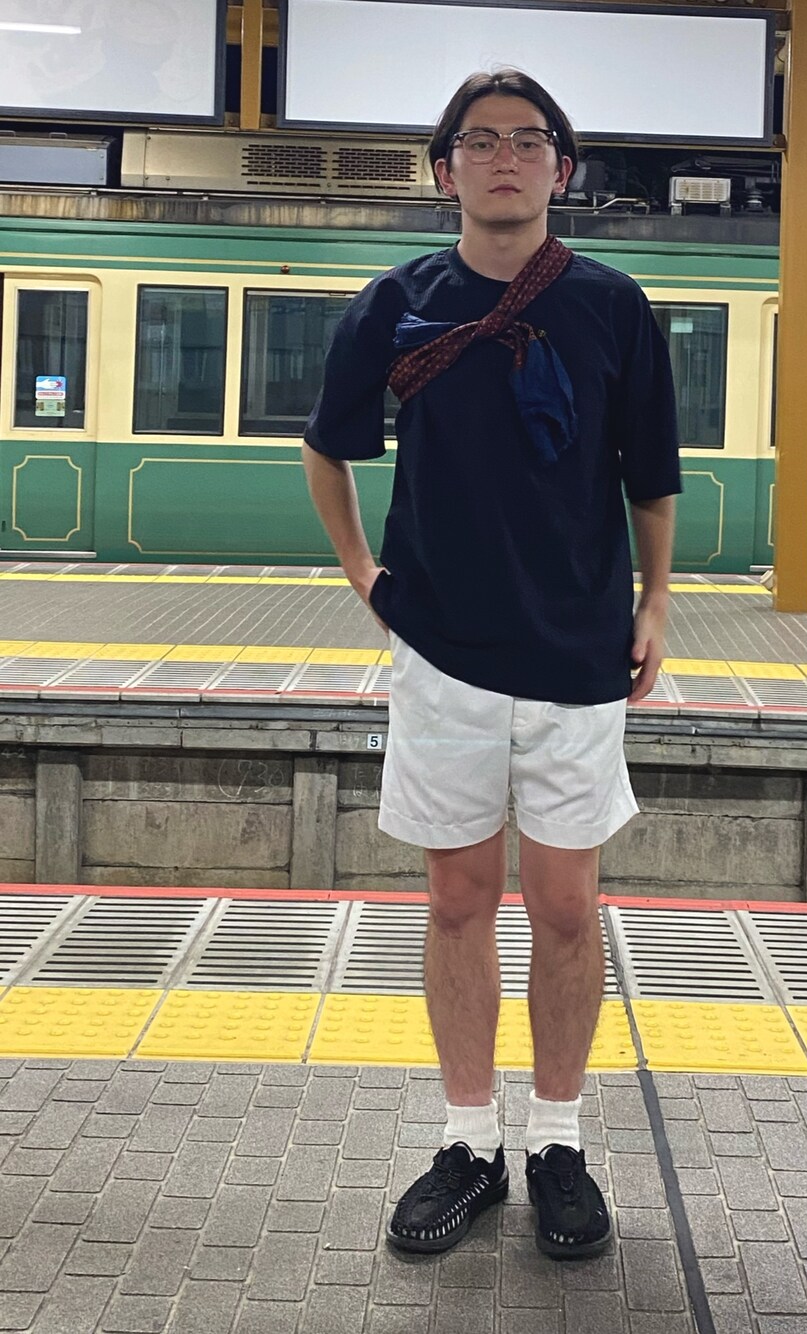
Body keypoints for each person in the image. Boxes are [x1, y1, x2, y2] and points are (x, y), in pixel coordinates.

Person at [302, 67, 680, 1261]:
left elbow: (649, 473)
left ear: (561, 168)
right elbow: (327, 448)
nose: (504, 157)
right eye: (480, 140)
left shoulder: (612, 304)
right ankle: (469, 1140)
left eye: (527, 140)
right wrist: (365, 577)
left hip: (578, 649)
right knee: (457, 898)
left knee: (566, 905)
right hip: (444, 651)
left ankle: (558, 1138)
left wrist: (656, 600)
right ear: (444, 168)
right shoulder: (394, 300)